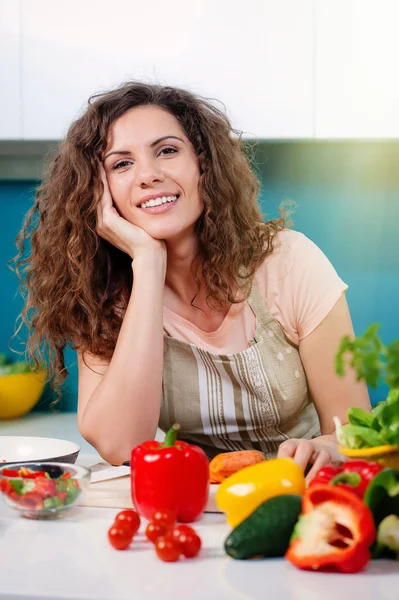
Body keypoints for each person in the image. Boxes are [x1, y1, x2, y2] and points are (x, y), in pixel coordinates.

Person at [15, 82, 370, 481]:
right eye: (121, 164)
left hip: (302, 492)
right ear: (99, 193)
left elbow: (354, 434)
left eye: (167, 150)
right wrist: (149, 263)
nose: (148, 175)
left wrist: (325, 447)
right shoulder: (104, 295)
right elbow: (120, 446)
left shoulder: (288, 263)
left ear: (203, 163)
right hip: (192, 501)